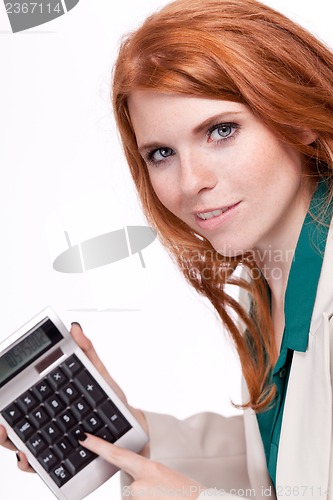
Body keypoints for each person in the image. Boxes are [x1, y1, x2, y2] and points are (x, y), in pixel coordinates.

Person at [1, 0, 333, 498]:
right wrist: (130, 433)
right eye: (162, 154)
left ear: (299, 114)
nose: (191, 182)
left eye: (222, 131)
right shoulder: (271, 279)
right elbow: (291, 461)